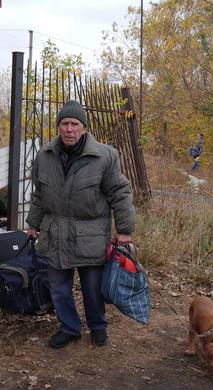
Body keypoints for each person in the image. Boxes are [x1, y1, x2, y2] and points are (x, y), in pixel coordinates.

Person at [26, 100, 136, 349]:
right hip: (55, 232)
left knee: (92, 289)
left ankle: (98, 326)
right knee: (59, 288)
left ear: (84, 128)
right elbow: (39, 194)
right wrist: (33, 224)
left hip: (90, 234)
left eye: (74, 124)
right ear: (58, 127)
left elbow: (120, 192)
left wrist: (125, 230)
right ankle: (69, 327)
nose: (69, 129)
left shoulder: (105, 156)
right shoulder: (45, 155)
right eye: (64, 123)